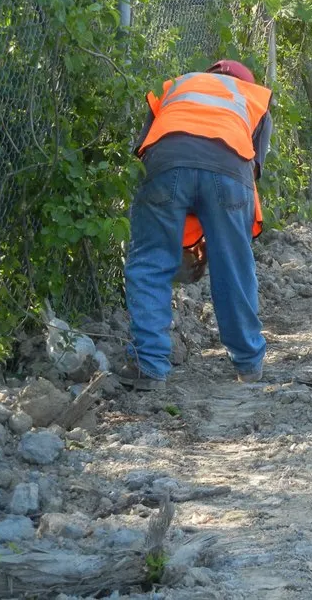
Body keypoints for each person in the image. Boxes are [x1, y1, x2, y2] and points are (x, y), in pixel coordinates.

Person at [118, 59, 273, 390]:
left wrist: (182, 236)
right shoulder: (253, 98)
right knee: (233, 266)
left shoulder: (177, 87)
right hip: (229, 169)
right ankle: (247, 364)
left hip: (166, 162)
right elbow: (250, 173)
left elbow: (148, 151)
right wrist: (214, 236)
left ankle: (150, 367)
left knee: (149, 262)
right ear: (247, 81)